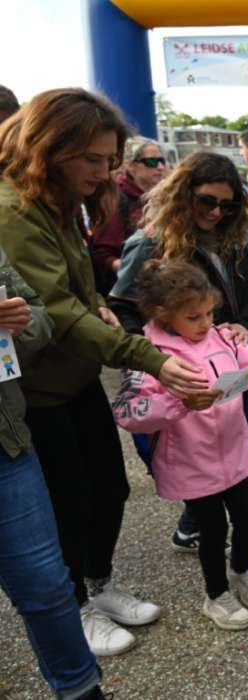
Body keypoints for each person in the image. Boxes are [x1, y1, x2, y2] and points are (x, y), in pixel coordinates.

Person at [0, 88, 209, 656]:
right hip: (39, 389)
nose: (103, 172)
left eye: (109, 159)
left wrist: (96, 301)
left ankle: (98, 583)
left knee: (109, 489)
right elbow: (56, 311)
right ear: (52, 146)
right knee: (68, 501)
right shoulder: (13, 210)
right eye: (92, 159)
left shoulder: (57, 198)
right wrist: (151, 358)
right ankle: (75, 604)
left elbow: (73, 289)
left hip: (74, 375)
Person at [109, 151, 248, 588]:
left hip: (233, 362)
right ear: (183, 194)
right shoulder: (150, 242)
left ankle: (193, 525)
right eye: (206, 201)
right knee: (216, 461)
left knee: (230, 456)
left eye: (228, 205)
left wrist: (244, 325)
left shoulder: (237, 237)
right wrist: (159, 361)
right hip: (178, 379)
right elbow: (123, 311)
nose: (217, 212)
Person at [112, 261, 248, 630]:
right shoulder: (148, 353)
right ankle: (216, 595)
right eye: (193, 317)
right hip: (191, 462)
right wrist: (178, 402)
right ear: (163, 314)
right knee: (213, 531)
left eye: (210, 313)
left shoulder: (222, 337)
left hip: (235, 453)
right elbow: (128, 411)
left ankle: (240, 571)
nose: (205, 323)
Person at [0, 244, 107, 698]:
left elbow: (39, 316)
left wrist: (20, 324)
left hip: (6, 443)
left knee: (46, 583)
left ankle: (81, 689)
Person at [89, 136, 168, 295]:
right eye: (151, 162)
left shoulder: (161, 198)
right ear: (131, 165)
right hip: (125, 292)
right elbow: (102, 254)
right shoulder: (116, 199)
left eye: (162, 161)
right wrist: (132, 267)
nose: (160, 167)